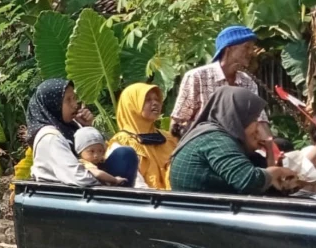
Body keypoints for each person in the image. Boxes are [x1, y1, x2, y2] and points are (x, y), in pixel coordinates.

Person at [169, 86, 297, 195]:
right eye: (254, 120)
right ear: (237, 117)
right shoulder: (216, 140)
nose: (258, 128)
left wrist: (270, 154)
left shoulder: (217, 136)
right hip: (200, 214)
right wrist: (277, 172)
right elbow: (248, 181)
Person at [27, 79, 138, 186]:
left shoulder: (72, 126)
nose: (75, 105)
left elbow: (100, 153)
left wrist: (87, 127)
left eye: (74, 98)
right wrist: (110, 182)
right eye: (68, 100)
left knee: (124, 154)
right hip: (69, 195)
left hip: (87, 188)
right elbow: (78, 177)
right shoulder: (50, 137)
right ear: (53, 104)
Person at [170, 26, 266, 138]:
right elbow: (178, 121)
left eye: (252, 48)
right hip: (204, 143)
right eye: (246, 47)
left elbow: (260, 120)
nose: (251, 52)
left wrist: (271, 145)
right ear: (228, 49)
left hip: (239, 144)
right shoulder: (197, 77)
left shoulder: (247, 81)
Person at [109, 83, 178, 189]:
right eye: (147, 100)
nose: (155, 103)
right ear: (131, 105)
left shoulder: (169, 139)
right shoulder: (121, 145)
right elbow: (136, 186)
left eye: (157, 99)